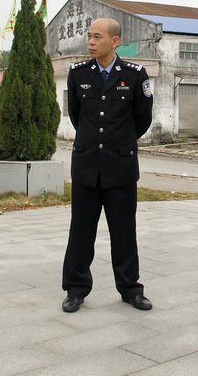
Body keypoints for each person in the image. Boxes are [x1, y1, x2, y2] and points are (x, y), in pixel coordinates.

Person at [61, 17, 153, 313]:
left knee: (124, 231)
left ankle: (130, 288)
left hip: (121, 166)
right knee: (81, 230)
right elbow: (76, 116)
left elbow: (142, 119)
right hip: (87, 165)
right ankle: (75, 289)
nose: (90, 41)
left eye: (97, 36)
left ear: (115, 41)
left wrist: (118, 142)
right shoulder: (77, 73)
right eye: (89, 36)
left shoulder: (136, 75)